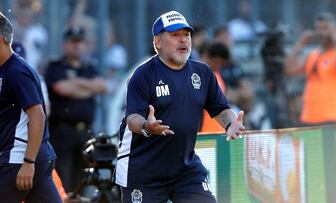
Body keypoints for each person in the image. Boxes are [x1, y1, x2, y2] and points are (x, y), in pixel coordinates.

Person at [115, 11, 245, 203]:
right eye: (175, 35)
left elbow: (220, 108)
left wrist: (230, 123)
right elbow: (132, 118)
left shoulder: (202, 73)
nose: (183, 40)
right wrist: (146, 127)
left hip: (184, 169)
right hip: (143, 171)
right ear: (157, 42)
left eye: (186, 34)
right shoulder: (143, 74)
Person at [0, 12, 61, 202]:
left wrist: (28, 162)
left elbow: (37, 114)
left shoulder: (17, 71)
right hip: (34, 156)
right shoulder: (6, 69)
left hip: (19, 158)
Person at [44, 26, 107, 192]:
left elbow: (102, 86)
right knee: (63, 179)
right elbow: (62, 89)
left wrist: (76, 82)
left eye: (80, 42)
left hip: (85, 133)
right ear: (65, 44)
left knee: (82, 181)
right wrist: (88, 87)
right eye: (73, 42)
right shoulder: (56, 66)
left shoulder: (89, 67)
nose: (77, 46)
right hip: (62, 132)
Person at [285, 12, 336, 125]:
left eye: (326, 28)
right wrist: (301, 42)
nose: (321, 32)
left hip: (334, 120)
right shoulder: (312, 55)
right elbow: (289, 69)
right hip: (308, 120)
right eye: (318, 28)